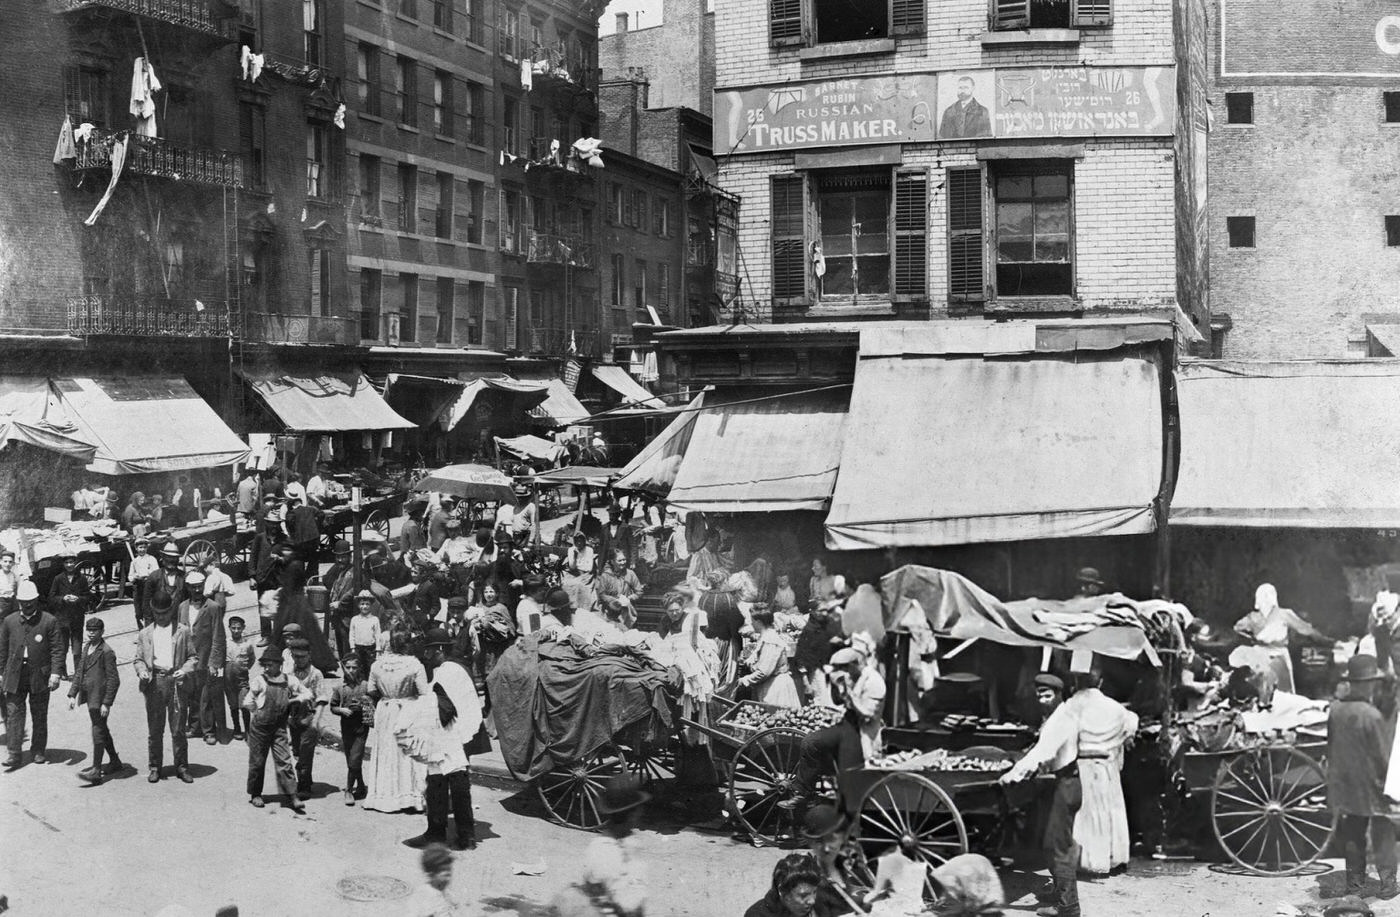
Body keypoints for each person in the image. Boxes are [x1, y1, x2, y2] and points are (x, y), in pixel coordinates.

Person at [1000, 665, 1136, 917]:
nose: (1042, 700)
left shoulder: (1063, 717)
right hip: (1063, 783)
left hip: (1066, 785)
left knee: (1058, 846)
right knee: (1051, 842)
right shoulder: (1057, 716)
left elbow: (1045, 752)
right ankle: (1058, 893)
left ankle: (1068, 907)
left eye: (1047, 694)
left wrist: (1013, 774)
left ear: (1060, 694)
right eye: (1039, 694)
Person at [405, 628, 486, 851]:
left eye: (429, 651)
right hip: (456, 735)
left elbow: (445, 707)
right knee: (453, 785)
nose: (426, 655)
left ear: (439, 649)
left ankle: (437, 833)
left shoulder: (445, 672)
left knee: (440, 784)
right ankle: (465, 836)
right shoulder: (457, 669)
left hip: (448, 735)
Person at [1330, 654, 1397, 899]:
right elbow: (1383, 756)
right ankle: (1389, 886)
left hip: (1346, 782)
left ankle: (1354, 887)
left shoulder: (1335, 710)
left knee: (1353, 833)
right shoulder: (1371, 715)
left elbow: (1331, 746)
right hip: (1372, 784)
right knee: (1383, 832)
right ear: (1368, 683)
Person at [787, 647, 887, 811]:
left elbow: (867, 715)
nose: (844, 672)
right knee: (811, 740)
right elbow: (841, 703)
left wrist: (851, 695)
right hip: (848, 725)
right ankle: (806, 789)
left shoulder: (874, 682)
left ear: (855, 664)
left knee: (811, 742)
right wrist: (839, 688)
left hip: (862, 732)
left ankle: (802, 793)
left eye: (845, 668)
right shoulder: (853, 676)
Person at [554, 773, 650, 917]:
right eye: (638, 809)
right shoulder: (606, 851)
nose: (642, 812)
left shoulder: (624, 842)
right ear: (631, 814)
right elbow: (626, 904)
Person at [363, 629, 430, 812]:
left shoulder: (377, 665)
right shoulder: (415, 664)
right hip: (407, 709)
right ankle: (408, 797)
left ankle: (385, 796)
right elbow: (424, 692)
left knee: (386, 749)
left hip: (385, 710)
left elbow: (371, 689)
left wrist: (388, 694)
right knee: (405, 751)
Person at [134, 591, 198, 784]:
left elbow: (193, 657)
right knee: (155, 729)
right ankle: (155, 767)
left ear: (171, 611)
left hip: (176, 683)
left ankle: (182, 767)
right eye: (157, 613)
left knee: (178, 729)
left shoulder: (183, 631)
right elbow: (138, 659)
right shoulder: (145, 633)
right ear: (153, 612)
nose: (161, 617)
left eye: (164, 613)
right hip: (155, 682)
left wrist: (185, 670)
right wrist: (142, 671)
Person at [0, 581, 64, 767]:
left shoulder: (49, 621)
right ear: (18, 601)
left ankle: (38, 751)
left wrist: (55, 673)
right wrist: (1, 673)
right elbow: (2, 650)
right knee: (14, 713)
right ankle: (14, 753)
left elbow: (57, 649)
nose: (27, 605)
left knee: (39, 714)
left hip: (40, 676)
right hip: (15, 675)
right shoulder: (9, 621)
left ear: (36, 600)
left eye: (30, 601)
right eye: (23, 601)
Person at [243, 646, 310, 812]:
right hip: (260, 727)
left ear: (279, 665)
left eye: (270, 665)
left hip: (279, 727)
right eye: (265, 665)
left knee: (284, 761)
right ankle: (255, 793)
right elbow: (247, 701)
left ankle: (292, 795)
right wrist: (257, 712)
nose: (267, 668)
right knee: (257, 762)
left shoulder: (289, 680)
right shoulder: (260, 680)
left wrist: (295, 700)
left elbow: (307, 693)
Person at [1232, 583, 1327, 693]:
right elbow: (1237, 628)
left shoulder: (1284, 614)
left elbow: (1305, 629)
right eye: (1263, 596)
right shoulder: (1252, 617)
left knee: (1282, 690)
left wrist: (1326, 641)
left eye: (1268, 595)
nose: (1266, 599)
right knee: (1261, 688)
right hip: (1259, 657)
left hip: (1279, 655)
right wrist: (1253, 639)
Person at [70, 616, 121, 784]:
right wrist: (73, 693)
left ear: (102, 632)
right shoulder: (87, 647)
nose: (91, 634)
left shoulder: (106, 652)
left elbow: (114, 680)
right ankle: (114, 760)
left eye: (95, 631)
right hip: (89, 696)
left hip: (99, 699)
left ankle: (96, 770)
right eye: (89, 631)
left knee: (97, 730)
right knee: (102, 729)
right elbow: (80, 671)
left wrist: (107, 703)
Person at [288, 638, 330, 797]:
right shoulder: (289, 673)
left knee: (306, 753)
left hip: (309, 717)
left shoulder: (315, 674)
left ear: (309, 655)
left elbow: (322, 698)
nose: (299, 660)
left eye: (302, 656)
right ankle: (307, 778)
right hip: (294, 718)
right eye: (295, 656)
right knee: (298, 752)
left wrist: (316, 721)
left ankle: (304, 786)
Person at [330, 653, 374, 806]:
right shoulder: (339, 688)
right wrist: (342, 710)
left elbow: (373, 703)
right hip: (347, 726)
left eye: (354, 667)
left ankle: (348, 790)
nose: (351, 670)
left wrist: (364, 705)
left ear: (360, 669)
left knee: (355, 758)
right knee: (351, 757)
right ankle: (360, 785)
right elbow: (333, 707)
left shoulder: (366, 686)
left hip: (361, 726)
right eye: (347, 667)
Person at [739, 606, 801, 708]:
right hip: (770, 685)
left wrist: (745, 680)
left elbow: (763, 672)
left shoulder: (770, 640)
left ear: (759, 622)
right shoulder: (765, 636)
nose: (751, 624)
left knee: (777, 718)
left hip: (776, 688)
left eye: (752, 620)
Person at [48, 553, 90, 679]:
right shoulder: (58, 579)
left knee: (77, 649)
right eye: (67, 563)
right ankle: (62, 671)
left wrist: (78, 599)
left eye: (71, 562)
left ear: (75, 563)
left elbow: (88, 596)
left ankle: (78, 673)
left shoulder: (81, 578)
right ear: (63, 564)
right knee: (63, 647)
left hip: (77, 617)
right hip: (62, 618)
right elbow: (51, 598)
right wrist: (63, 598)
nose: (69, 565)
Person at [863, 839, 931, 917]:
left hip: (897, 909)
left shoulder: (888, 860)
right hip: (915, 906)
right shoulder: (919, 865)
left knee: (867, 900)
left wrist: (868, 901)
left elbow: (879, 891)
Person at [744, 853, 826, 917]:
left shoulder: (821, 907)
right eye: (803, 895)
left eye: (814, 892)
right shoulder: (757, 914)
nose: (812, 901)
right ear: (782, 891)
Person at [223, 615, 256, 741]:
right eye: (233, 628)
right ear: (229, 628)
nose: (236, 631)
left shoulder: (247, 644)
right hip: (228, 679)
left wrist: (244, 668)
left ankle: (248, 730)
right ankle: (237, 728)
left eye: (238, 628)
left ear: (243, 628)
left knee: (244, 703)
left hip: (242, 679)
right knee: (233, 705)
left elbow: (252, 659)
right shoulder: (226, 643)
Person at [404, 843, 458, 917]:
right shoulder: (423, 896)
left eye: (449, 869)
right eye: (442, 870)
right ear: (431, 874)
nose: (448, 873)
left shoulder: (444, 892)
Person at [127, 538, 158, 628]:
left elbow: (156, 572)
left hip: (148, 586)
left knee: (148, 609)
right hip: (138, 586)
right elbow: (130, 576)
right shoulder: (134, 561)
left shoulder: (151, 559)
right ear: (136, 548)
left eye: (144, 547)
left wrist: (147, 574)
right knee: (138, 611)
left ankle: (150, 630)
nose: (142, 550)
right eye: (140, 547)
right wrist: (134, 577)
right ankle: (141, 631)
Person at [562, 532, 598, 611]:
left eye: (581, 541)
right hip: (574, 573)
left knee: (581, 585)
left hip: (586, 574)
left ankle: (582, 608)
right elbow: (572, 567)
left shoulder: (589, 550)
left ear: (584, 541)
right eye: (577, 541)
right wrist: (575, 557)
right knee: (567, 584)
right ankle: (571, 607)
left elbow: (589, 568)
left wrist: (580, 570)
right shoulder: (571, 550)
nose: (579, 543)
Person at [0, 551, 20, 619]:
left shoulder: (14, 575)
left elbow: (16, 591)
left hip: (12, 603)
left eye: (10, 562)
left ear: (13, 563)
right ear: (0, 562)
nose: (7, 564)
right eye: (5, 561)